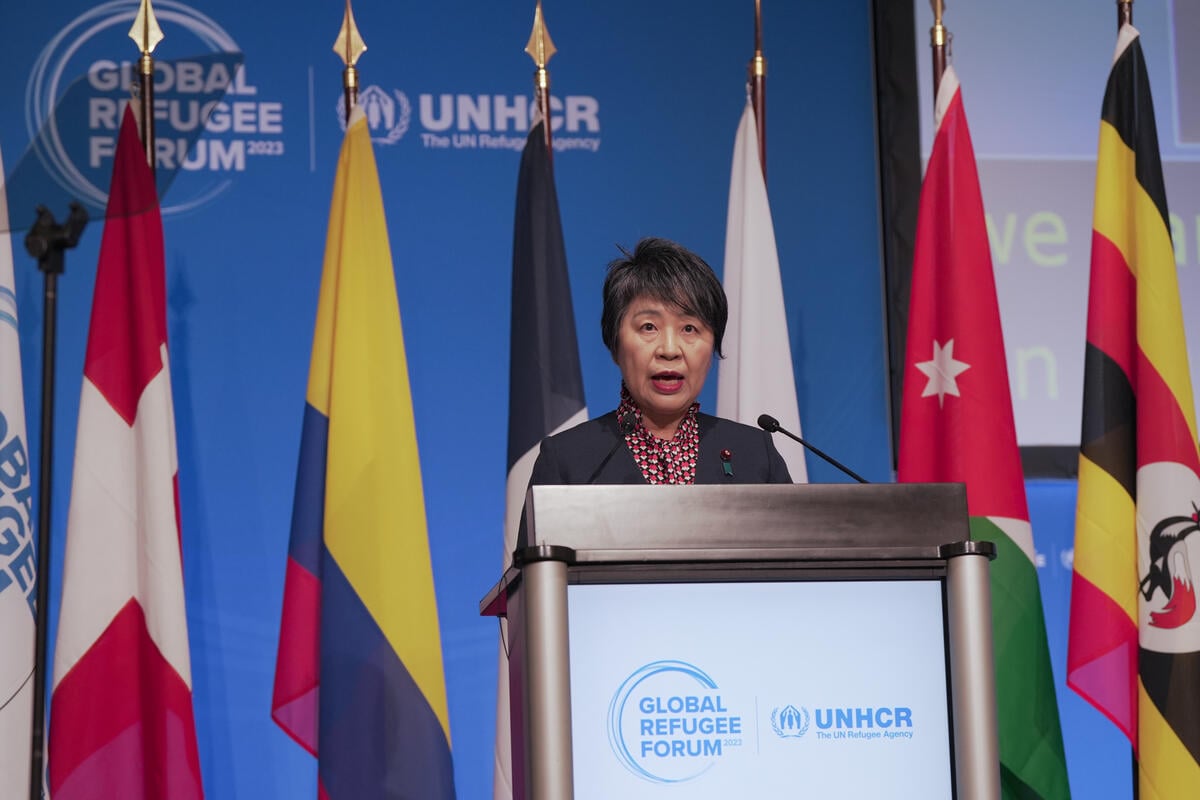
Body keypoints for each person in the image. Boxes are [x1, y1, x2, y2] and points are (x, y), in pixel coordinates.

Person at [516, 237, 792, 549]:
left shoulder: (755, 454)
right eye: (649, 327)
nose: (670, 349)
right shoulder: (569, 460)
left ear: (713, 346)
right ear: (615, 344)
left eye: (689, 328)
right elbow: (534, 577)